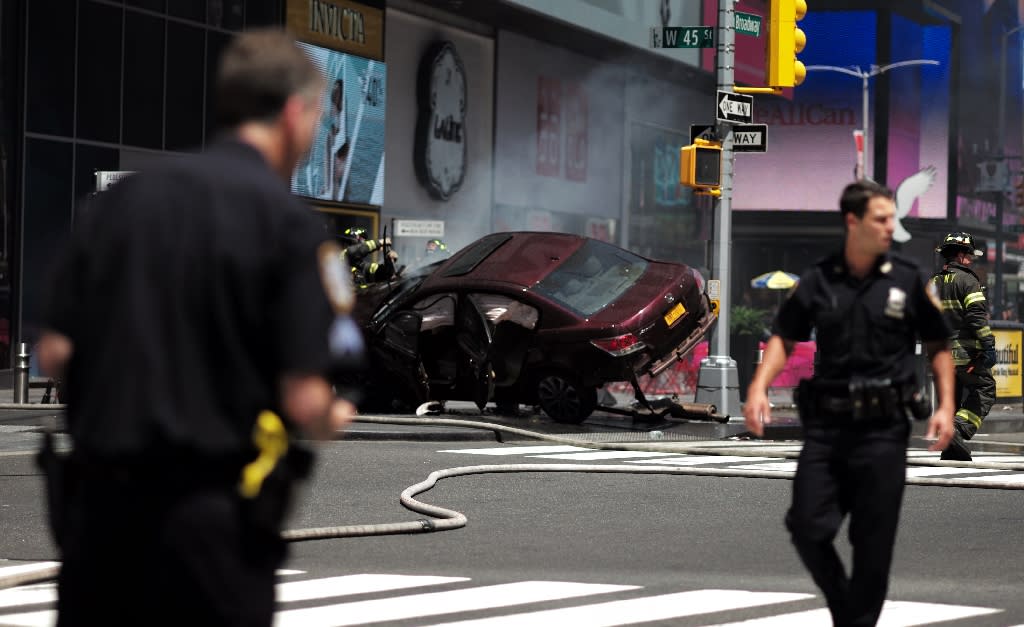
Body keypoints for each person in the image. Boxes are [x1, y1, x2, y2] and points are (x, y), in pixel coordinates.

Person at [36, 29, 358, 627]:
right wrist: (332, 417)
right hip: (211, 530)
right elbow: (307, 397)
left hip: (100, 520)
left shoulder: (119, 207)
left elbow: (55, 352)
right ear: (294, 113)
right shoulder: (289, 228)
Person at [743, 179, 956, 627]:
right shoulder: (819, 279)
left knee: (872, 547)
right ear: (852, 221)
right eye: (881, 219)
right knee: (806, 526)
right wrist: (760, 385)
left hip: (883, 432)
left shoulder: (908, 279)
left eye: (892, 218)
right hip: (827, 431)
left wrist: (945, 406)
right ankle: (847, 613)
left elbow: (938, 344)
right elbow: (785, 334)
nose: (889, 227)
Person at [931, 232, 997, 461]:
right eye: (970, 255)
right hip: (965, 353)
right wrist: (988, 346)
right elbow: (977, 318)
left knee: (951, 396)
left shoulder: (933, 283)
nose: (972, 259)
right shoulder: (968, 281)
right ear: (960, 255)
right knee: (984, 390)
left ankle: (951, 447)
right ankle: (957, 431)